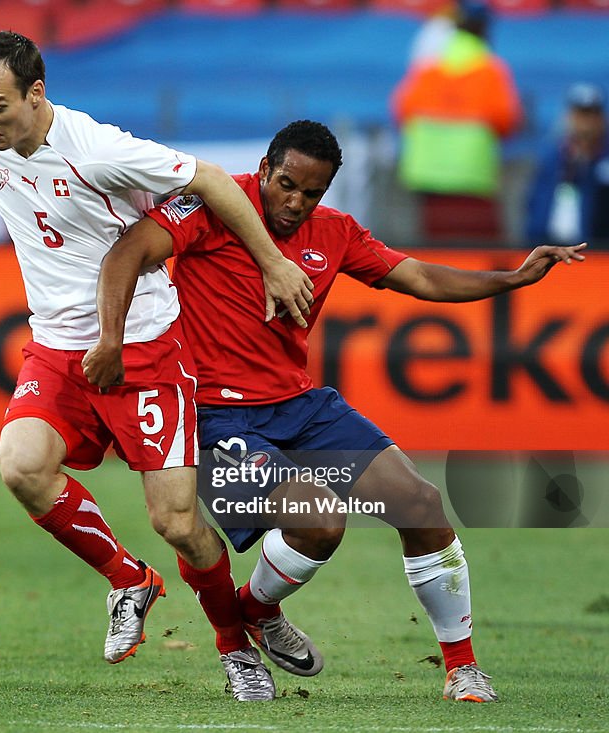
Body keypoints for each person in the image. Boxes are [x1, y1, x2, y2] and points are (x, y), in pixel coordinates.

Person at [0, 31, 316, 701]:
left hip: (143, 346)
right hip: (56, 346)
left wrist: (273, 261)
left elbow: (211, 180)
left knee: (177, 522)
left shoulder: (98, 149)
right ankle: (129, 579)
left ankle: (234, 645)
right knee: (21, 465)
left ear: (36, 94)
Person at [86, 119, 586, 702]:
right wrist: (111, 340)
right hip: (215, 415)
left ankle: (458, 667)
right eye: (287, 185)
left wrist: (516, 277)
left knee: (421, 504)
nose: (296, 203)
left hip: (301, 405)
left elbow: (420, 276)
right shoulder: (210, 204)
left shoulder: (335, 232)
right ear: (266, 168)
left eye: (313, 192)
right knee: (320, 522)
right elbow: (129, 251)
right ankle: (244, 625)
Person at [391, 0, 522, 243]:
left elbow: (402, 110)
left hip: (426, 174)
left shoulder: (429, 65)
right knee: (473, 260)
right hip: (471, 175)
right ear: (484, 28)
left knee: (434, 258)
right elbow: (506, 121)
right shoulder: (490, 70)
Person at [526, 82, 609, 247]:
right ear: (568, 116)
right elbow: (534, 201)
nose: (586, 123)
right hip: (549, 245)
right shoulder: (552, 157)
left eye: (591, 115)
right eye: (580, 114)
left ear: (601, 119)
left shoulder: (603, 161)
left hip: (596, 249)